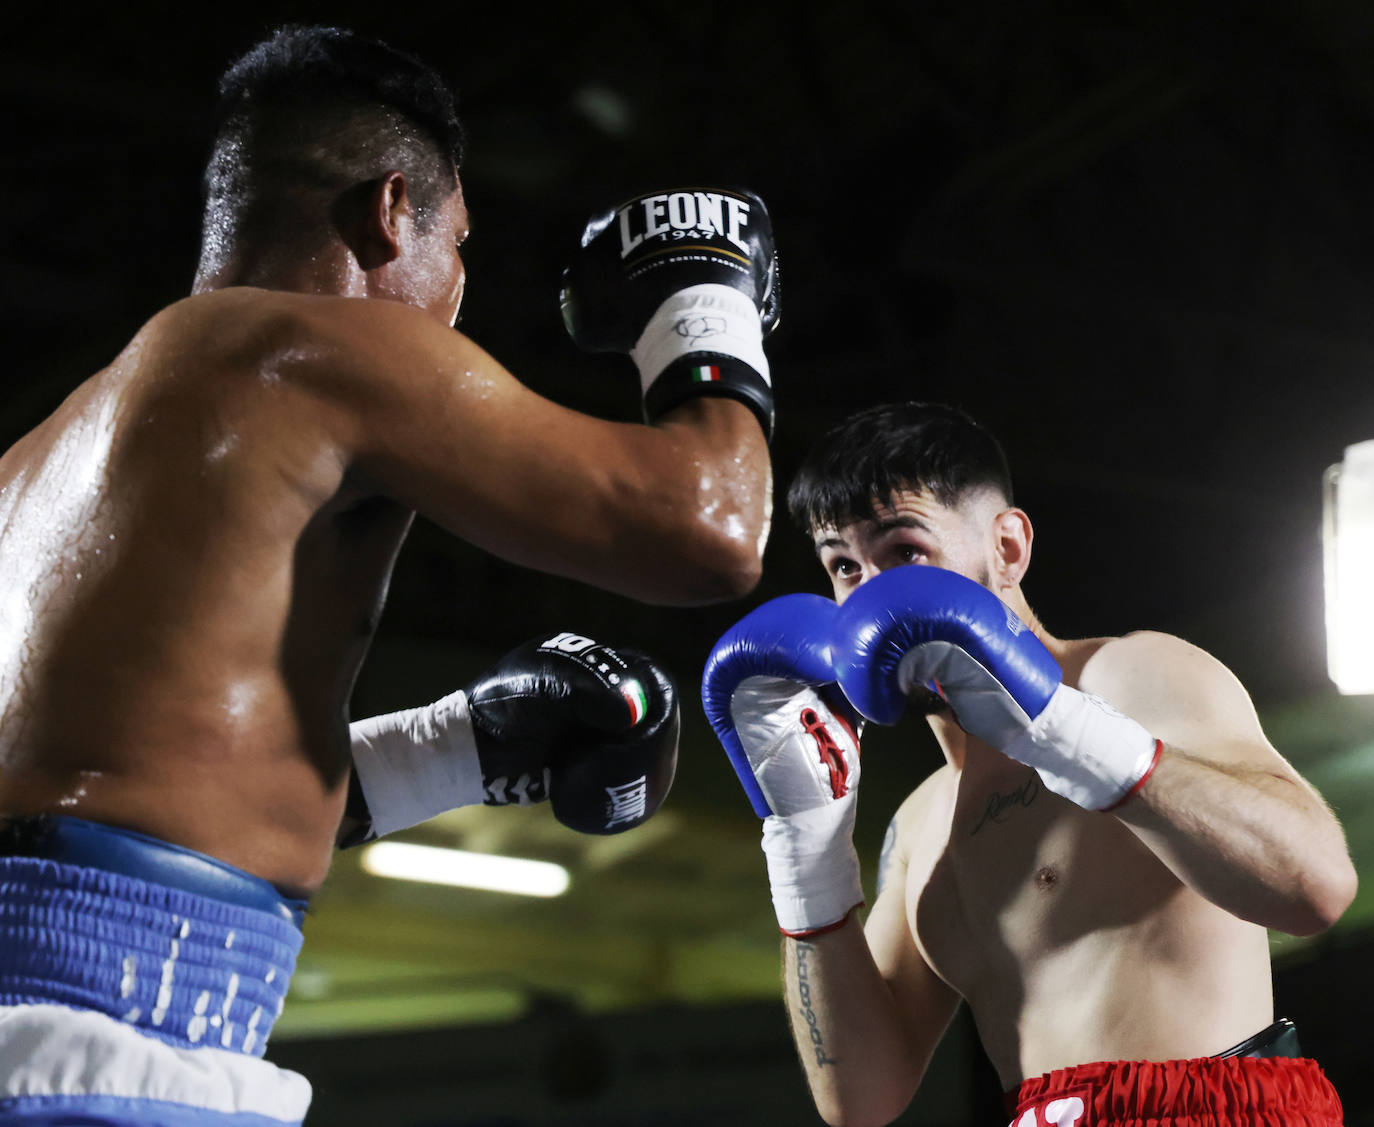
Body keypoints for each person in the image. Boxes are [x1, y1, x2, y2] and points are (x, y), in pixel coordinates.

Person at [0, 23, 780, 1126]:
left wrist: (459, 749)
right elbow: (712, 525)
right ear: (388, 209)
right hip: (125, 1047)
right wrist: (707, 295)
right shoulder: (313, 349)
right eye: (457, 248)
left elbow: (119, 801)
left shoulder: (35, 464)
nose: (458, 297)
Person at [703, 401, 1357, 1127]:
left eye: (905, 552)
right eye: (844, 565)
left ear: (1007, 549)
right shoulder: (922, 824)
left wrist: (1067, 734)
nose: (871, 596)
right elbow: (860, 1097)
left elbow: (1317, 887)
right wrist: (803, 848)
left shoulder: (1128, 678)